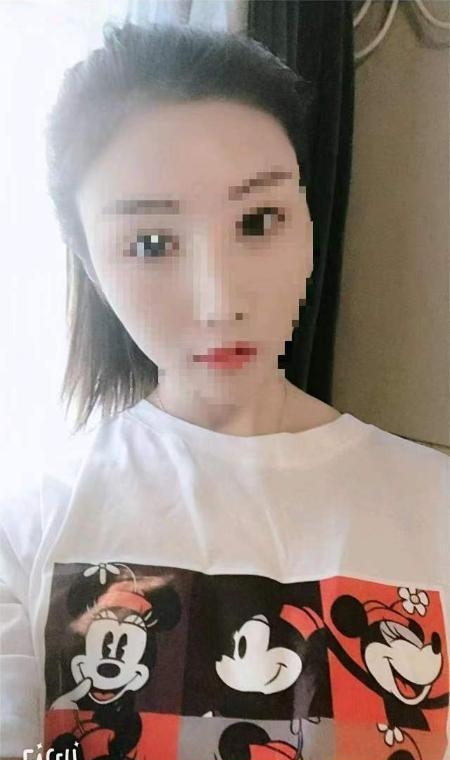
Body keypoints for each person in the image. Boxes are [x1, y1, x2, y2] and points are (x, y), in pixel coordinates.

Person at [0, 21, 448, 760]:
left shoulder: (436, 506)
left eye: (258, 220)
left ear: (308, 224)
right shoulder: (26, 533)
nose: (219, 301)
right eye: (151, 244)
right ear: (92, 267)